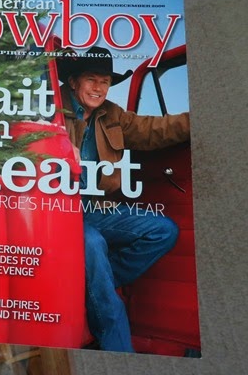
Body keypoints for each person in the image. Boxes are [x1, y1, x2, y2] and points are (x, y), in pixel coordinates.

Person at [56, 46, 190, 352]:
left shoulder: (112, 114)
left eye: (104, 81)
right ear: (74, 82)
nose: (99, 88)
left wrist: (204, 120)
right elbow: (22, 138)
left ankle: (92, 287)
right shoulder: (50, 107)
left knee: (163, 231)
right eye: (91, 79)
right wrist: (59, 146)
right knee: (92, 243)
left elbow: (155, 130)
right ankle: (118, 347)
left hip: (96, 208)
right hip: (57, 211)